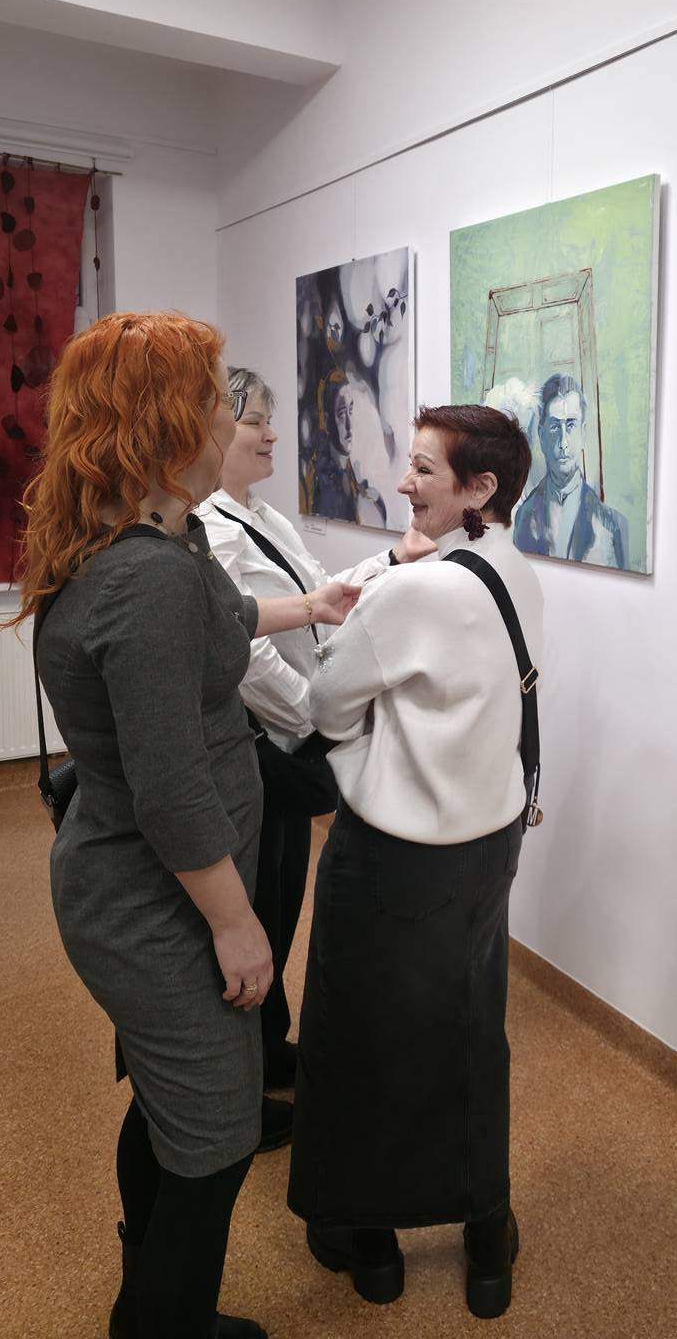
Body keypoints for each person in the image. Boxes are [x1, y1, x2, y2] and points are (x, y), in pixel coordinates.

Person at [12, 312, 358, 1339]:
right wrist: (237, 924)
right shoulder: (148, 576)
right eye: (216, 403)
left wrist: (317, 605)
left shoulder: (160, 540)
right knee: (213, 1136)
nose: (231, 420)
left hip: (150, 884)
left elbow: (229, 619)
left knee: (170, 1102)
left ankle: (146, 1308)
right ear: (166, 425)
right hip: (154, 900)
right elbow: (167, 788)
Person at [288, 404, 543, 1321]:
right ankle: (487, 1236)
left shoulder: (415, 592)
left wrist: (366, 739)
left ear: (482, 487)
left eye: (426, 469)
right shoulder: (515, 570)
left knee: (361, 1040)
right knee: (471, 1033)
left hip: (392, 858)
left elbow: (324, 704)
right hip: (488, 847)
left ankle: (373, 1246)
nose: (404, 482)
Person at [196, 366, 433, 1114]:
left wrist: (389, 562)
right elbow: (240, 649)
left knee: (280, 903)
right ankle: (241, 1077)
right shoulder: (210, 529)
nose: (273, 435)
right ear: (214, 431)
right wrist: (312, 710)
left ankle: (267, 1044)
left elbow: (318, 594)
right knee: (257, 909)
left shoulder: (260, 515)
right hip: (263, 749)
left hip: (292, 744)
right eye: (256, 423)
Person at [513, 373, 629, 568]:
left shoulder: (612, 525)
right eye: (554, 427)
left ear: (583, 434)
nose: (563, 443)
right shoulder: (524, 516)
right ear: (542, 436)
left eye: (571, 425)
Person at [311, 373, 389, 526]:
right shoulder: (324, 481)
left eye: (350, 410)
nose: (349, 425)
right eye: (341, 414)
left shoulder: (349, 473)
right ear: (326, 420)